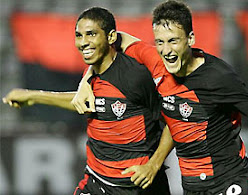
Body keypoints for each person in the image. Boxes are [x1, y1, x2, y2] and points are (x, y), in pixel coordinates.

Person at [73, 1, 248, 194]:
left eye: (173, 41)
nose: (166, 50)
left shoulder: (218, 77)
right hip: (192, 186)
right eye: (160, 42)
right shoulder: (156, 62)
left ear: (190, 39)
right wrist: (85, 80)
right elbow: (112, 38)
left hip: (231, 181)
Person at [3, 7, 173, 195]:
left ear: (110, 38)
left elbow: (175, 117)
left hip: (135, 185)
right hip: (96, 181)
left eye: (91, 34)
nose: (83, 43)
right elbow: (82, 102)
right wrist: (33, 96)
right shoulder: (90, 74)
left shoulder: (136, 76)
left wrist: (154, 164)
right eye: (79, 36)